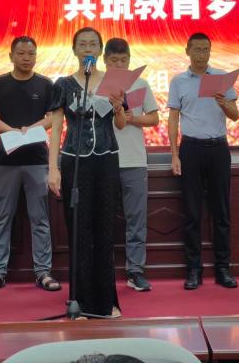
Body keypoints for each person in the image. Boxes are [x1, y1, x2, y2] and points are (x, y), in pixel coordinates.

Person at [48, 27, 128, 317]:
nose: (88, 48)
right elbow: (57, 126)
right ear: (74, 50)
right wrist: (53, 168)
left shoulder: (113, 81)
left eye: (93, 44)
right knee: (79, 231)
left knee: (105, 230)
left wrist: (118, 109)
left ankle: (107, 301)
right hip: (75, 161)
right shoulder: (64, 84)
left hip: (106, 160)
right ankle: (80, 301)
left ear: (100, 50)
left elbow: (121, 124)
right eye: (82, 44)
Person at [0, 35, 59, 294]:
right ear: (11, 56)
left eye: (31, 54)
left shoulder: (45, 84)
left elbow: (53, 118)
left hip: (37, 160)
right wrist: (11, 130)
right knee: (3, 217)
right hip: (7, 161)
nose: (26, 58)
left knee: (40, 218)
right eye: (21, 54)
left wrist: (31, 129)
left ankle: (43, 271)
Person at [167, 32, 239, 290]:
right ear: (187, 51)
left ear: (210, 51)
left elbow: (235, 115)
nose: (201, 54)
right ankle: (193, 269)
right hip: (191, 149)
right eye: (196, 49)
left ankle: (223, 268)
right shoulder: (179, 81)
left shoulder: (221, 78)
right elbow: (173, 118)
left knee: (221, 212)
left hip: (218, 148)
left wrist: (223, 103)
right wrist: (174, 154)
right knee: (192, 213)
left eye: (205, 50)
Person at [104, 37, 159, 292]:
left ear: (129, 60)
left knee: (136, 218)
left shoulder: (141, 84)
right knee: (103, 218)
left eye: (123, 60)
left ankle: (135, 270)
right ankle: (102, 270)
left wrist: (132, 118)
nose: (119, 65)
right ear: (105, 60)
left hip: (134, 160)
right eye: (114, 60)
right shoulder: (97, 85)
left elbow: (154, 119)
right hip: (104, 159)